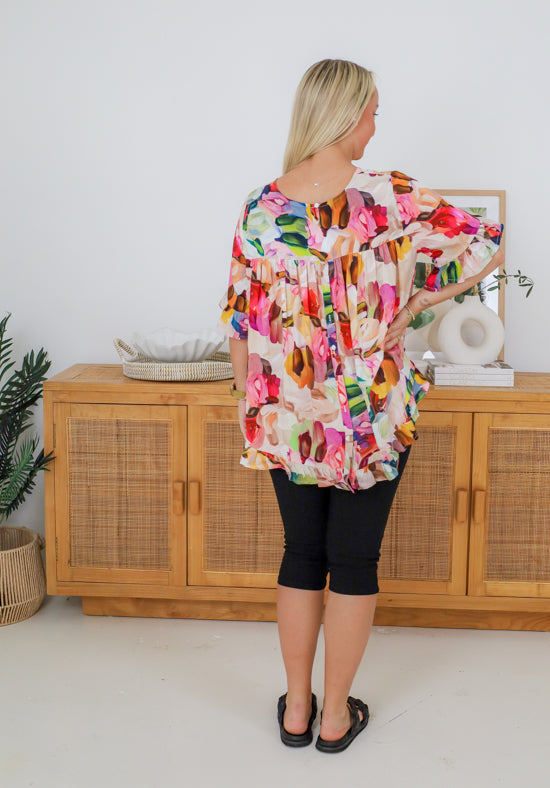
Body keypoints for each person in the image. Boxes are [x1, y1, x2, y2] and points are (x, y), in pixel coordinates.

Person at [217, 59, 503, 753]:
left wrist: (248, 408)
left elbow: (239, 324)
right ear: (346, 114)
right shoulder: (389, 195)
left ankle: (297, 710)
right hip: (369, 414)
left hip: (289, 413)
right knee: (353, 561)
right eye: (372, 111)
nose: (377, 124)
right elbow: (486, 242)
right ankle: (337, 715)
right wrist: (426, 300)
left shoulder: (262, 206)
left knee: (299, 554)